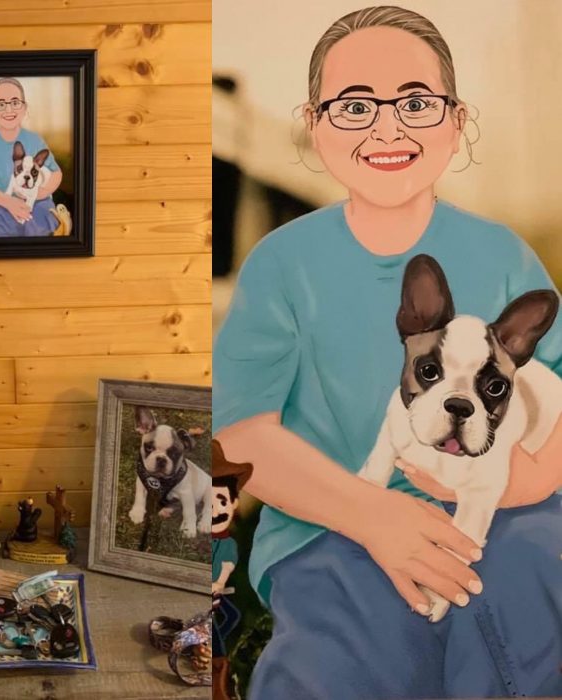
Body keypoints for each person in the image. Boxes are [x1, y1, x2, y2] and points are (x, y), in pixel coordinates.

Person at [213, 6, 562, 699]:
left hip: (507, 516)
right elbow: (242, 427)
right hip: (332, 521)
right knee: (344, 649)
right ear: (314, 124)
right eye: (354, 105)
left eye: (415, 101)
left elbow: (556, 391)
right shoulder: (282, 263)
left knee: (527, 599)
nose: (387, 126)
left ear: (456, 122)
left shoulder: (503, 256)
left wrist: (526, 484)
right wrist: (374, 516)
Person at [0, 77, 63, 237]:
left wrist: (42, 192)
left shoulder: (35, 140)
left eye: (15, 103)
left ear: (25, 107)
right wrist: (9, 202)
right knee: (1, 230)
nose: (8, 110)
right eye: (0, 104)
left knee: (40, 224)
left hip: (37, 203)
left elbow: (56, 173)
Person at [211, 439, 253, 700]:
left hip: (219, 590)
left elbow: (227, 565)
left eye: (221, 501)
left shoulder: (228, 544)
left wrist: (219, 583)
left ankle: (218, 658)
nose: (215, 510)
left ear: (234, 502)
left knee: (231, 616)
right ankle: (216, 660)